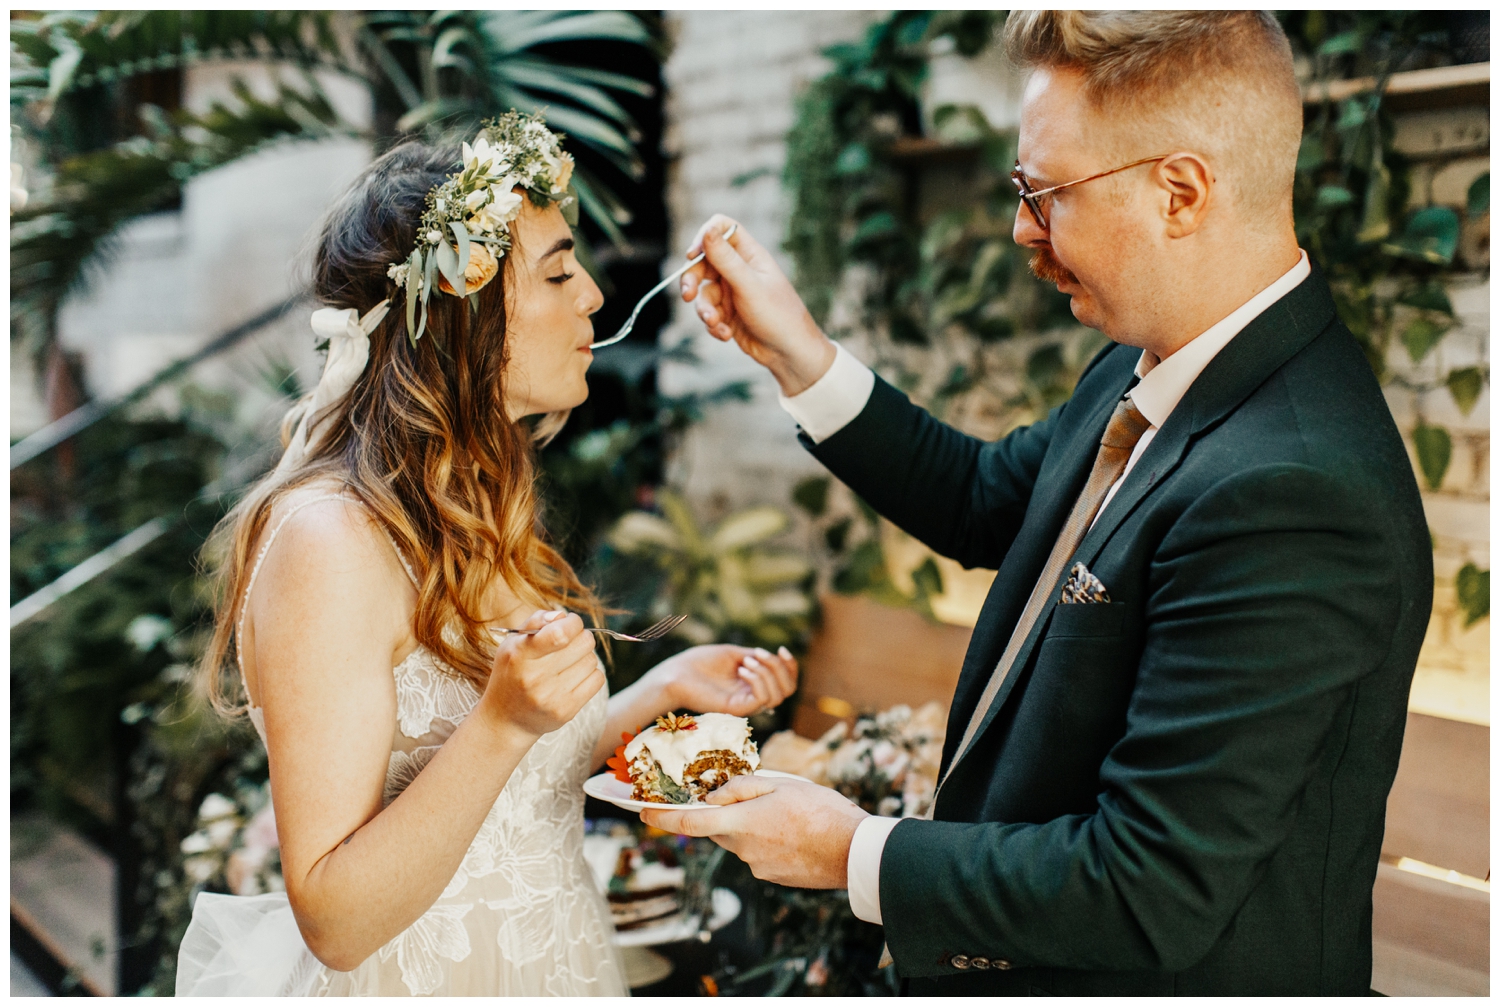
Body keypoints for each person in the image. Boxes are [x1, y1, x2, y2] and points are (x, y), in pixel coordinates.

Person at [643, 12, 1431, 996]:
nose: (1022, 227)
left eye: (1045, 192)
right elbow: (982, 500)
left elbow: (1148, 886)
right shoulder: (1144, 367)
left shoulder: (1294, 492)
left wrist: (852, 849)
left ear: (1180, 192)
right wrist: (796, 353)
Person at [175, 113, 799, 996]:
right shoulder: (330, 544)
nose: (594, 296)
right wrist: (502, 720)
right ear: (460, 316)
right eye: (559, 272)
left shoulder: (470, 506)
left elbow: (506, 791)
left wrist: (660, 691)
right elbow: (337, 920)